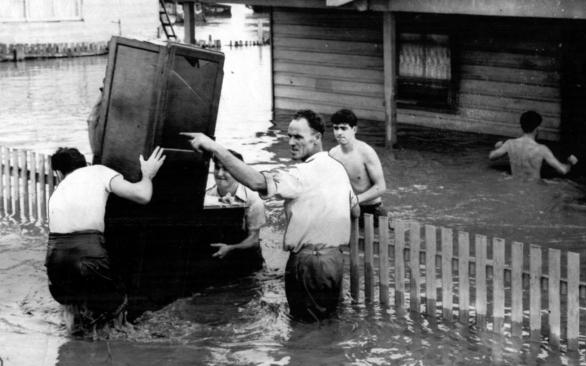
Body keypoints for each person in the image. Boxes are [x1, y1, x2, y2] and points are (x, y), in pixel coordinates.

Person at [182, 109, 359, 322]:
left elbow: (257, 182)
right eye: (289, 136)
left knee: (304, 329)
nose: (291, 142)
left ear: (317, 138)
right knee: (326, 321)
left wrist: (214, 148)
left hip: (309, 263)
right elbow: (355, 210)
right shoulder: (337, 168)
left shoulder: (302, 174)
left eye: (298, 137)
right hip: (334, 260)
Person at [46, 146, 165, 333]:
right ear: (86, 163)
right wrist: (148, 175)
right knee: (114, 309)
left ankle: (73, 349)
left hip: (55, 258)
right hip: (88, 253)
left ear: (59, 173)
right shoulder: (98, 171)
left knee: (75, 311)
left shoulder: (57, 192)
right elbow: (142, 195)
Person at [206, 149, 266, 265]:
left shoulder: (253, 199)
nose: (219, 174)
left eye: (226, 169)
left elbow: (254, 240)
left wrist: (231, 248)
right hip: (219, 252)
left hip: (246, 254)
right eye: (217, 168)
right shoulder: (207, 196)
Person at [328, 109, 387, 226]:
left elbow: (381, 187)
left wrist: (356, 199)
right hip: (347, 209)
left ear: (354, 130)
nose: (339, 132)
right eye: (336, 128)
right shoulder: (333, 154)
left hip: (372, 210)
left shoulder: (366, 152)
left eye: (343, 128)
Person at [489, 110, 578, 180]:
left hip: (514, 184)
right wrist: (570, 163)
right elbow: (563, 170)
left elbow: (491, 157)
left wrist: (498, 147)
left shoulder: (509, 144)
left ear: (522, 126)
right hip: (534, 188)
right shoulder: (542, 149)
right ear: (537, 128)